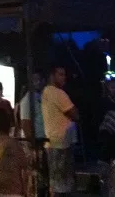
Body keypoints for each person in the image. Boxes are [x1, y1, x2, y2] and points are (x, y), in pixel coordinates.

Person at [42, 65, 79, 197]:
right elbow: (75, 114)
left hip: (53, 142)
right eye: (60, 74)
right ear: (52, 76)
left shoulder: (46, 91)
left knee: (56, 183)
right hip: (61, 144)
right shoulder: (58, 93)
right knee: (63, 185)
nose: (64, 78)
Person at [0, 106, 28, 197]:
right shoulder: (2, 144)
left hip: (9, 192)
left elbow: (2, 174)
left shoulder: (9, 145)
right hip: (4, 191)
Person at [19, 71, 45, 141]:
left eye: (39, 79)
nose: (38, 82)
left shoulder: (42, 96)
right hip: (37, 140)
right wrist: (32, 142)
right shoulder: (27, 99)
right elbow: (25, 123)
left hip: (44, 139)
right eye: (35, 79)